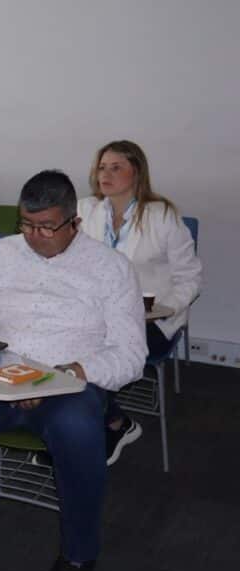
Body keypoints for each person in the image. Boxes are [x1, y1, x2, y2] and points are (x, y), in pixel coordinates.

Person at [0, 170, 146, 571]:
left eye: (46, 227)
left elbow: (132, 355)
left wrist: (70, 374)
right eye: (26, 224)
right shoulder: (1, 253)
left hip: (69, 384)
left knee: (78, 431)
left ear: (74, 222)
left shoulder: (111, 268)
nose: (34, 236)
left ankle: (79, 557)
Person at [78, 140, 202, 464]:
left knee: (100, 351)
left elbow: (190, 277)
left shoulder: (162, 216)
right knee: (65, 343)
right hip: (95, 314)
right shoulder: (85, 211)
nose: (105, 174)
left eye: (116, 167)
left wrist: (166, 308)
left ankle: (106, 426)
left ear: (136, 173)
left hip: (151, 320)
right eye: (102, 167)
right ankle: (111, 420)